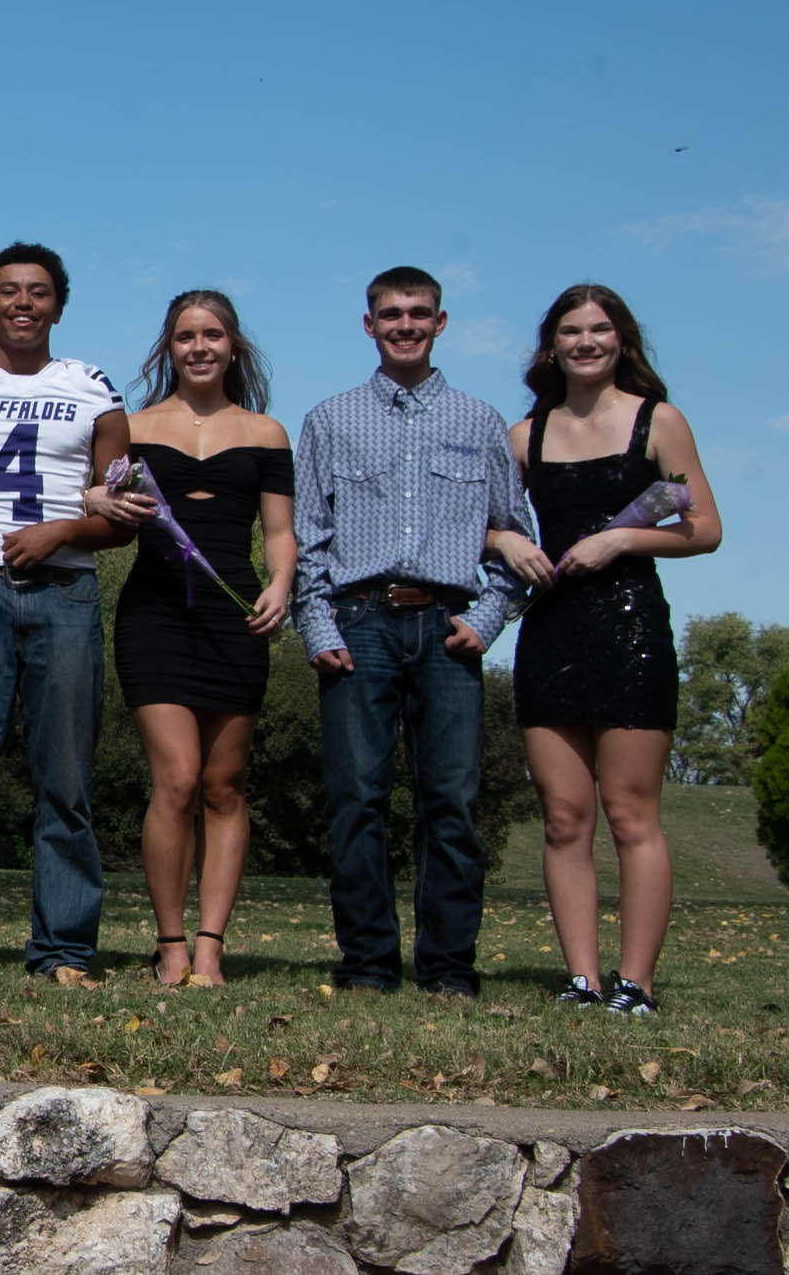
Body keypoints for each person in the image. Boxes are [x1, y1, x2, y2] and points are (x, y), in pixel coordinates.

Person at [292, 266, 532, 997]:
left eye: (418, 313)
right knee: (356, 800)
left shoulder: (479, 422)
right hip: (357, 622)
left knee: (451, 802)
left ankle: (448, 967)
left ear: (440, 323)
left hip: (447, 624)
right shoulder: (329, 420)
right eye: (391, 314)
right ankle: (367, 963)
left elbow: (517, 539)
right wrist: (316, 625)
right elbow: (308, 537)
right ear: (369, 325)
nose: (405, 325)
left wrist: (486, 619)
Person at [487, 285, 720, 1016]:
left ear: (622, 340)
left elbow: (705, 528)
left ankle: (635, 985)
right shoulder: (523, 437)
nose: (585, 342)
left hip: (631, 629)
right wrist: (505, 539)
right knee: (564, 818)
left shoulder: (659, 421)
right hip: (550, 631)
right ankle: (582, 980)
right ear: (550, 346)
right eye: (570, 331)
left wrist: (621, 538)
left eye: (599, 329)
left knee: (629, 814)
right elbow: (477, 523)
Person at [0, 242, 127, 984]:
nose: (23, 303)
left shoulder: (93, 388)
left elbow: (123, 515)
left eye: (39, 292)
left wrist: (62, 531)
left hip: (64, 587)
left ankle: (63, 947)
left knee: (64, 780)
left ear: (58, 306)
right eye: (9, 291)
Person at [86, 291, 293, 987]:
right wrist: (94, 497)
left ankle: (211, 947)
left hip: (236, 616)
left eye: (212, 335)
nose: (199, 347)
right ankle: (170, 944)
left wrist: (281, 584)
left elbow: (279, 532)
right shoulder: (134, 427)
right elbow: (91, 495)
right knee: (175, 779)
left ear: (233, 346)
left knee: (223, 785)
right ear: (168, 348)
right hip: (154, 615)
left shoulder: (266, 433)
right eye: (185, 336)